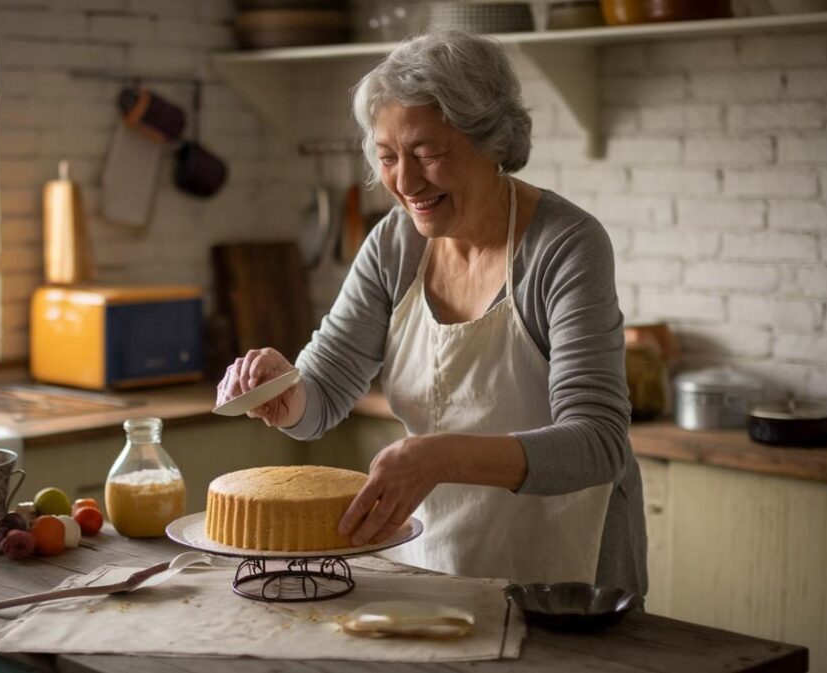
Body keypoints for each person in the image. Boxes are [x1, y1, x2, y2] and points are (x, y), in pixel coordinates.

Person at [215, 29, 647, 594]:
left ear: (492, 141)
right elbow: (321, 394)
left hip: (568, 572)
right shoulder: (395, 243)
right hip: (436, 558)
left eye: (428, 154)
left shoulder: (564, 246)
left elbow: (598, 442)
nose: (405, 182)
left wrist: (437, 458)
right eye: (388, 157)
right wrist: (283, 391)